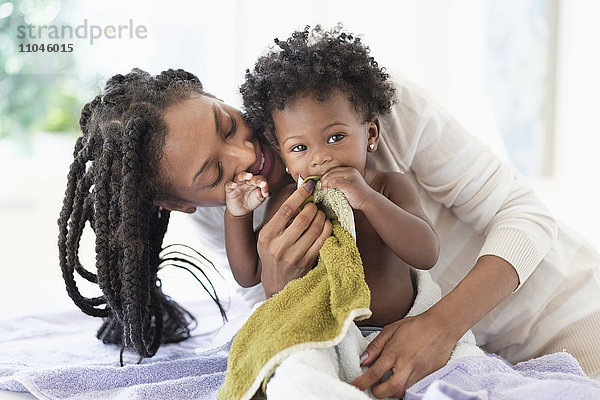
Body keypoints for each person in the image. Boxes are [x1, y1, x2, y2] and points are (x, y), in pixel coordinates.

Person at [58, 26, 600, 398]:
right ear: (179, 203)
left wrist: (439, 325)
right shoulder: (229, 211)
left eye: (228, 124)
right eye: (212, 174)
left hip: (554, 314)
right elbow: (281, 308)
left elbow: (527, 217)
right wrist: (274, 284)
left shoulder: (349, 106)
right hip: (403, 354)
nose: (248, 156)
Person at [223, 27, 439, 328]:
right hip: (320, 334)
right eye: (299, 147)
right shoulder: (289, 199)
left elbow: (426, 254)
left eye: (336, 137)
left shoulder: (388, 186)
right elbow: (249, 274)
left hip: (392, 332)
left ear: (370, 134)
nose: (320, 157)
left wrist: (368, 200)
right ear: (283, 155)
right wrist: (237, 215)